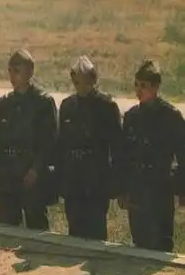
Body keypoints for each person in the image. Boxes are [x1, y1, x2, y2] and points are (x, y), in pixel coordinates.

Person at [116, 60, 185, 252]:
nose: (138, 90)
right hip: (137, 187)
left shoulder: (171, 117)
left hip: (160, 189)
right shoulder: (131, 117)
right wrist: (121, 189)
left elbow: (182, 155)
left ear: (155, 87)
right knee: (139, 241)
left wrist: (182, 191)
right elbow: (123, 155)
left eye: (143, 86)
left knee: (161, 242)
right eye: (136, 85)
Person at [54, 56, 123, 241]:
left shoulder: (106, 106)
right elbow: (61, 145)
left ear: (93, 80)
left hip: (96, 178)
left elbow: (117, 146)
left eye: (84, 81)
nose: (80, 86)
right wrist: (60, 179)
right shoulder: (68, 106)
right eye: (76, 82)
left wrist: (116, 182)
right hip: (73, 178)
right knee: (74, 228)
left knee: (96, 229)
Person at [0, 50, 58, 231]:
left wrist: (36, 169)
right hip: (8, 173)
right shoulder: (5, 103)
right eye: (10, 70)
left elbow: (48, 141)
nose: (12, 76)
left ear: (30, 72)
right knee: (7, 226)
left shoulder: (42, 102)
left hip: (30, 174)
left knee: (36, 224)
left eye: (17, 71)